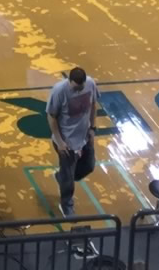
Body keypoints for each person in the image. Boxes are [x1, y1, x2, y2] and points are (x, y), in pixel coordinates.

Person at [47, 67, 100, 218]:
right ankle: (66, 206)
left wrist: (93, 128)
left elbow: (93, 106)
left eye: (81, 88)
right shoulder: (59, 91)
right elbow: (51, 117)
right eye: (76, 88)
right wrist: (59, 141)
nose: (78, 91)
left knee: (89, 166)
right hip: (66, 142)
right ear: (69, 81)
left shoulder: (90, 84)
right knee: (69, 180)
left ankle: (63, 177)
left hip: (84, 136)